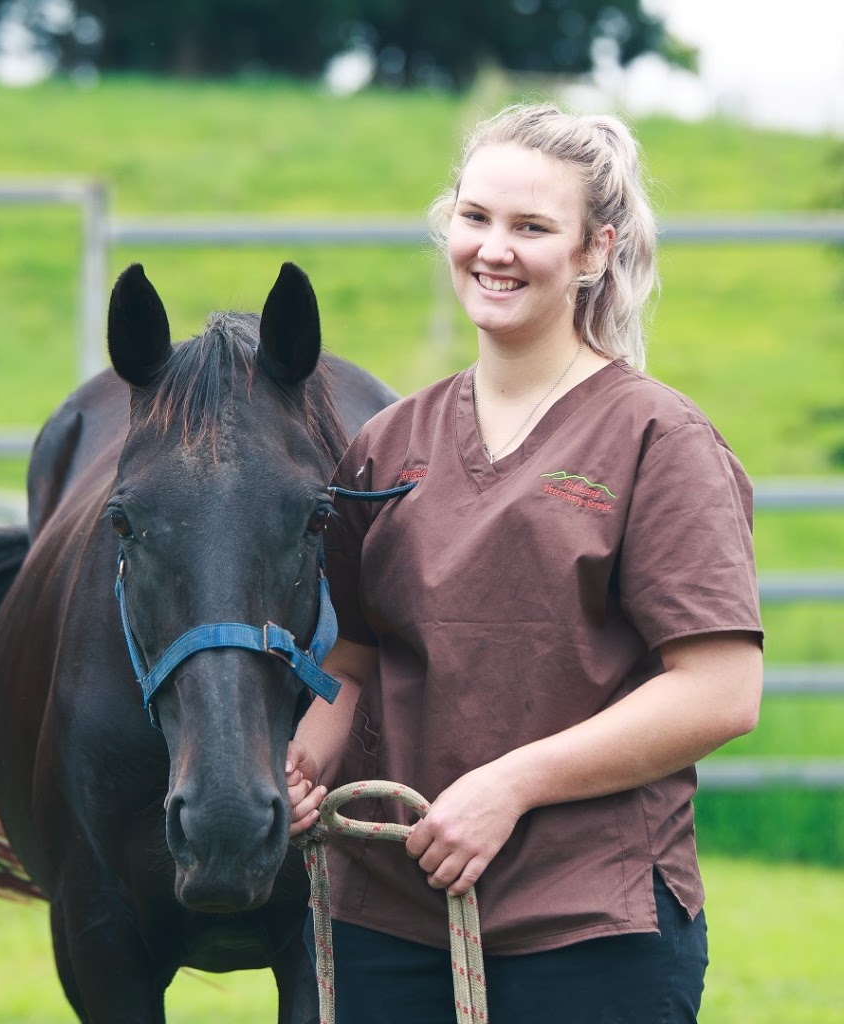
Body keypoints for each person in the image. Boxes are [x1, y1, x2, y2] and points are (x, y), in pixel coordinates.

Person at [285, 102, 763, 1024]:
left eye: (532, 227)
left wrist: (511, 785)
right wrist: (298, 764)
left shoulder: (658, 439)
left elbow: (719, 691)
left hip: (590, 922)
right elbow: (353, 660)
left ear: (595, 252)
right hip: (387, 919)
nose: (494, 250)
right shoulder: (387, 444)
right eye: (476, 219)